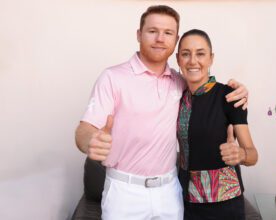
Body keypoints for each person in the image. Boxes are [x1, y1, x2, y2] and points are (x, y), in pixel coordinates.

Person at [75, 5, 249, 220]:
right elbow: (84, 129)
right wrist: (91, 141)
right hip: (125, 193)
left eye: (168, 33)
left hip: (169, 191)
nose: (160, 38)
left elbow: (205, 84)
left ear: (175, 41)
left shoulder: (180, 81)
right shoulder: (112, 78)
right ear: (139, 34)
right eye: (152, 31)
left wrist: (238, 91)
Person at [176, 29, 258, 220]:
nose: (193, 61)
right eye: (186, 54)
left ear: (211, 59)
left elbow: (253, 155)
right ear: (178, 59)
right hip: (184, 200)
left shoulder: (229, 96)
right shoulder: (176, 96)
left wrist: (241, 154)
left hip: (224, 205)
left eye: (201, 53)